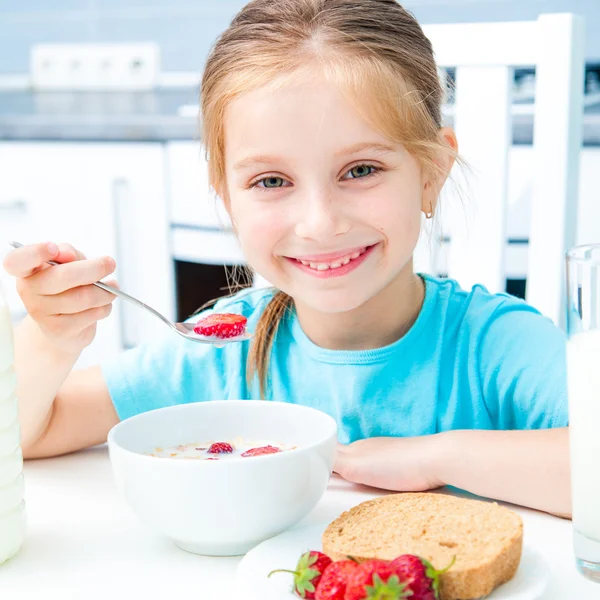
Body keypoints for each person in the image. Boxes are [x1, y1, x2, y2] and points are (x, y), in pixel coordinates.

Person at [2, 0, 570, 517]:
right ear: (227, 200)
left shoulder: (498, 345)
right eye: (272, 180)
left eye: (361, 170)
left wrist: (438, 457)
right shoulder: (223, 349)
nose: (320, 223)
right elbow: (27, 432)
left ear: (431, 176)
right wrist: (51, 340)